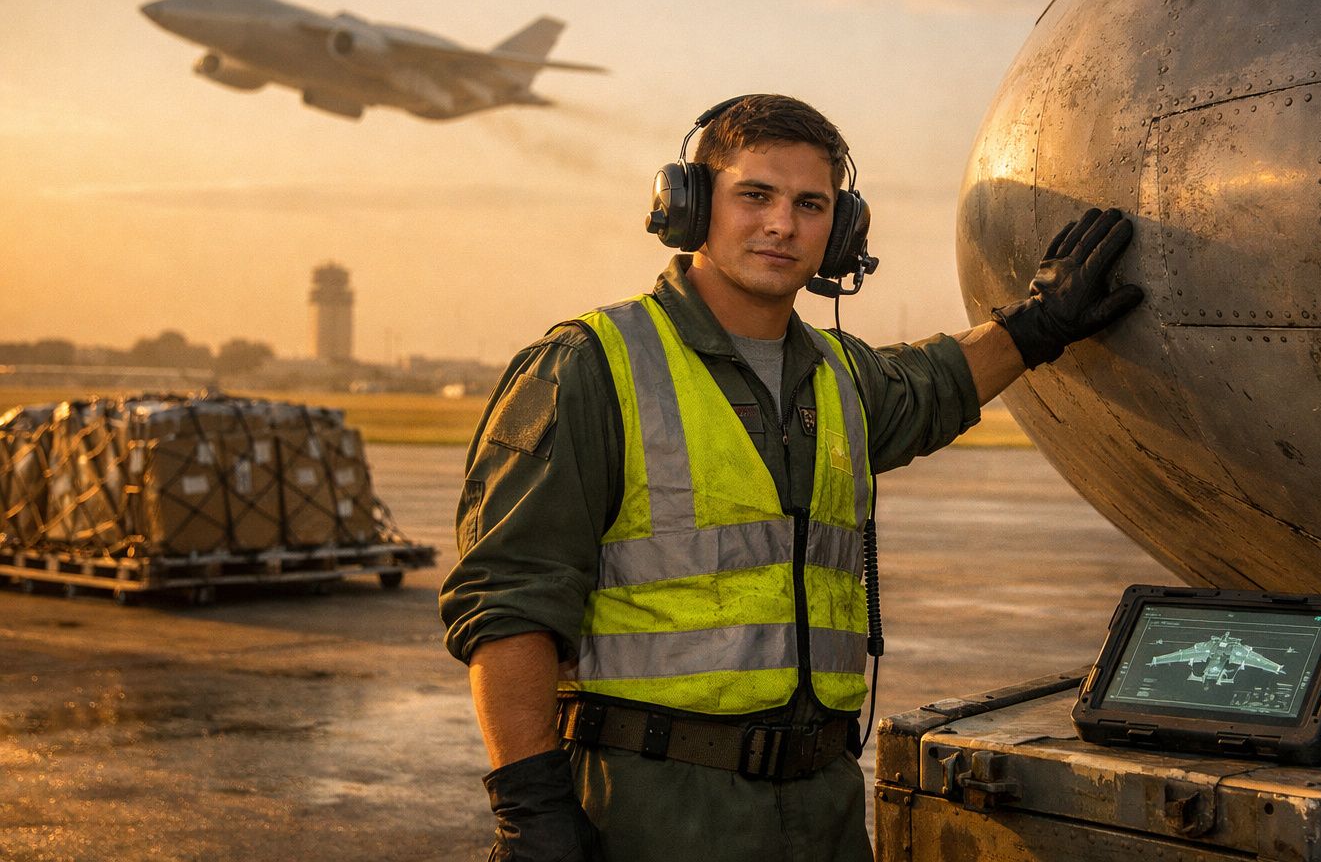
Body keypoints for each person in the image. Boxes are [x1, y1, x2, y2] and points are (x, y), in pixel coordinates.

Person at [439, 94, 1142, 861]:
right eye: (755, 196)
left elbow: (936, 383)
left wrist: (1041, 322)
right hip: (653, 804)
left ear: (841, 232)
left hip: (822, 804)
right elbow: (509, 604)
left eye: (812, 205)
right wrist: (531, 809)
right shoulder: (590, 365)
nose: (782, 225)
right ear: (692, 208)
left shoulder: (841, 377)